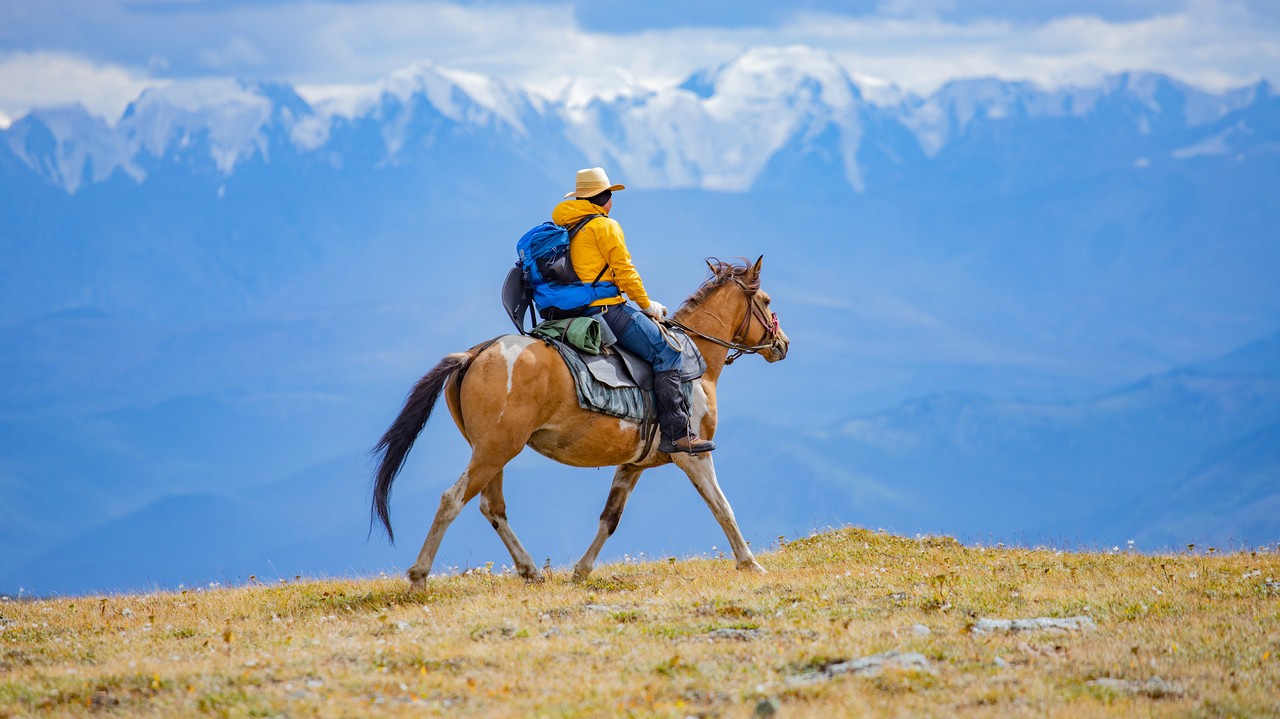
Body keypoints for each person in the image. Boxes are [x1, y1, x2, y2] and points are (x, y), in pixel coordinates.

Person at [551, 167, 715, 455]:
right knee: (668, 352)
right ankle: (676, 435)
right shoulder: (605, 226)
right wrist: (646, 305)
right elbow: (626, 273)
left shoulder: (568, 226)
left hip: (571, 311)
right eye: (610, 194)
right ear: (605, 198)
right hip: (606, 311)